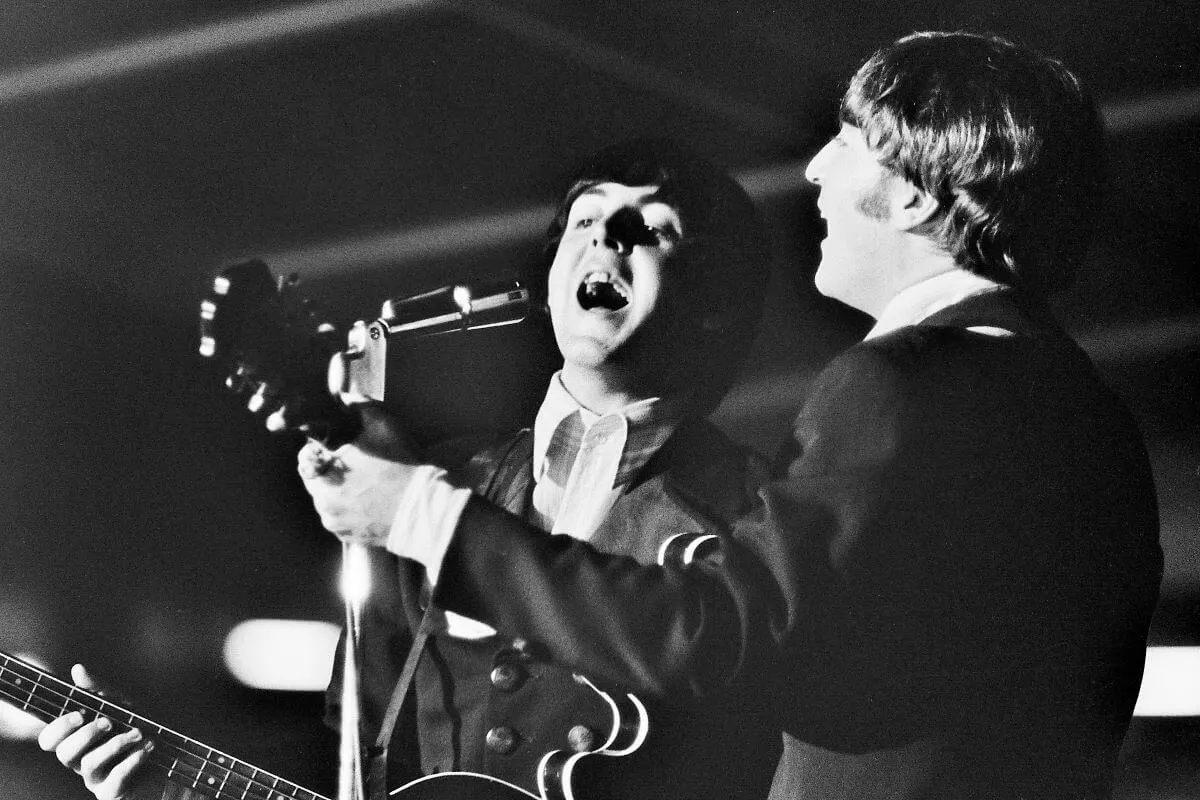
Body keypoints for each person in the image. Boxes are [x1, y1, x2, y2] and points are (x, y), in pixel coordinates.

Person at [304, 31, 1160, 799]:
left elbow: (721, 635)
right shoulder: (1091, 418)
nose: (817, 169)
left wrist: (418, 511)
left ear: (912, 198)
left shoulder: (898, 385)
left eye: (850, 143)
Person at [37, 138, 780, 800]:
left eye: (649, 229)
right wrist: (162, 790)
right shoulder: (440, 477)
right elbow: (349, 761)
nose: (605, 240)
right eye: (585, 221)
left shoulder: (751, 506)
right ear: (552, 279)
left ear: (713, 303)